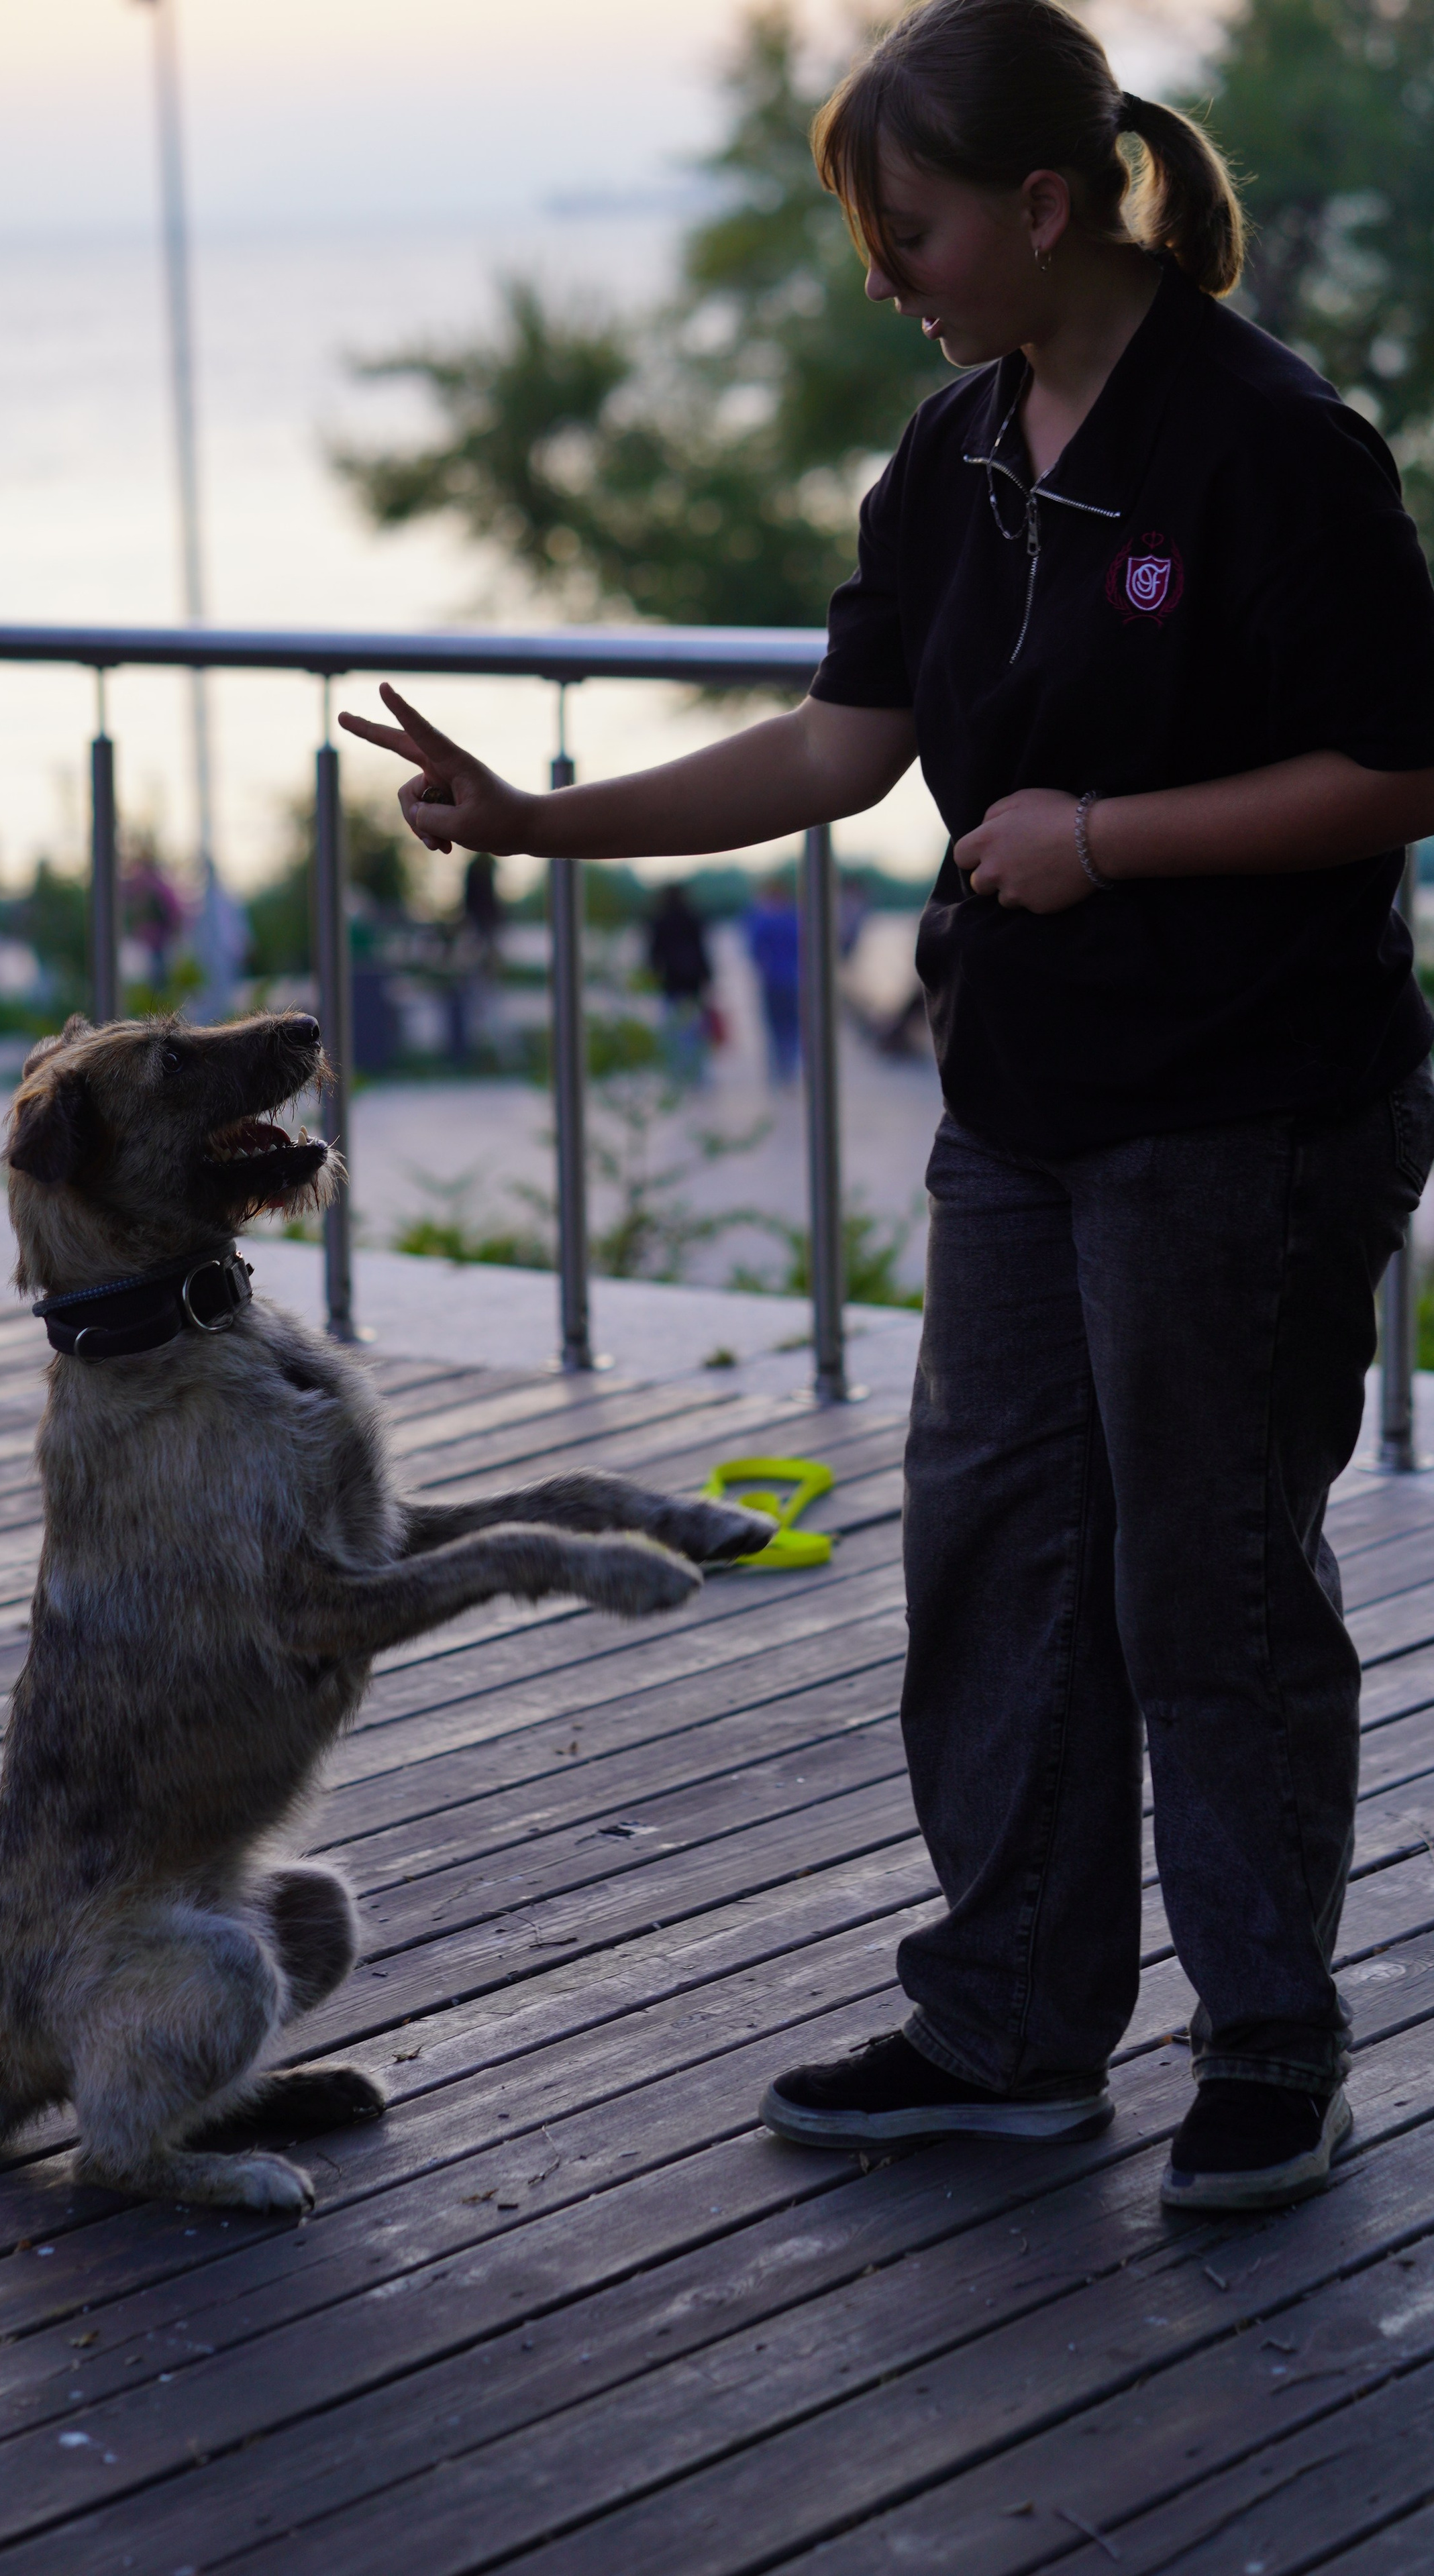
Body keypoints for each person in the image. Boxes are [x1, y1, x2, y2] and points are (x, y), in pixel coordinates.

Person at [341, 0, 1434, 2216]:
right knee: (997, 1558)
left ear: (1043, 207)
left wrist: (1105, 837)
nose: (881, 272)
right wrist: (538, 823)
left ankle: (1272, 2051)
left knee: (1204, 1585)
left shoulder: (1269, 445)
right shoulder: (955, 456)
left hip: (1252, 1115)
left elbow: (1402, 771)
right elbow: (840, 748)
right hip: (1023, 1103)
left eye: (907, 227)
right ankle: (1015, 2025)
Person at [647, 881, 715, 1085]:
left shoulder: (659, 920)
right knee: (695, 1030)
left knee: (674, 1030)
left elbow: (654, 955)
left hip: (671, 982)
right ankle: (697, 1075)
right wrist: (708, 978)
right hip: (693, 982)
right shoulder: (694, 918)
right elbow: (703, 951)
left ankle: (678, 1075)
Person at [743, 875, 801, 1085]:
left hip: (771, 980)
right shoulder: (794, 917)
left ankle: (777, 1072)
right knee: (792, 1028)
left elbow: (753, 949)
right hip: (793, 978)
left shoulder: (762, 918)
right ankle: (789, 1071)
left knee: (774, 1028)